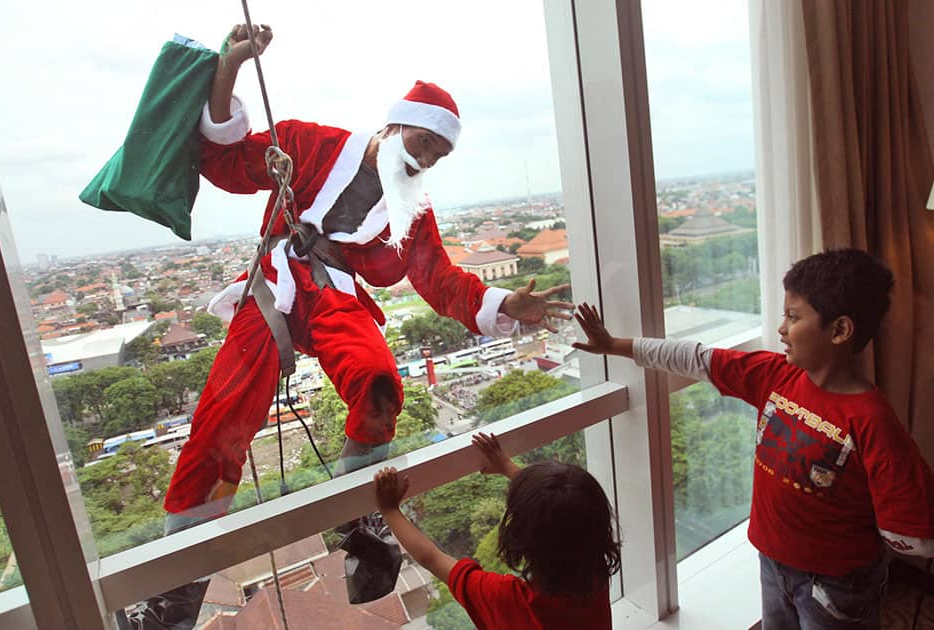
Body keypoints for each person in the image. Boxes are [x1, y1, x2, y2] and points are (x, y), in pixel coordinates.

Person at [163, 23, 573, 529]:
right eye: (422, 144)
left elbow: (438, 278)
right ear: (396, 126)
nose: (425, 161)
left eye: (436, 157)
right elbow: (227, 162)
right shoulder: (307, 144)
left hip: (334, 296)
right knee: (222, 418)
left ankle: (357, 523)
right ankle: (174, 581)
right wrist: (230, 67)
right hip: (278, 287)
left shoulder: (411, 210)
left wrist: (504, 303)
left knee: (379, 384)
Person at [573, 248, 934, 630]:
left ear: (840, 330)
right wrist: (613, 346)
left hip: (838, 586)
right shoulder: (775, 376)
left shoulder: (873, 421)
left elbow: (911, 528)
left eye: (793, 317)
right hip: (772, 563)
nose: (781, 328)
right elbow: (695, 358)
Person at [374, 432, 620, 630]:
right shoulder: (593, 572)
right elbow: (562, 512)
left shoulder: (508, 599)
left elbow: (432, 558)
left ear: (521, 537)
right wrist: (506, 466)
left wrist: (389, 510)